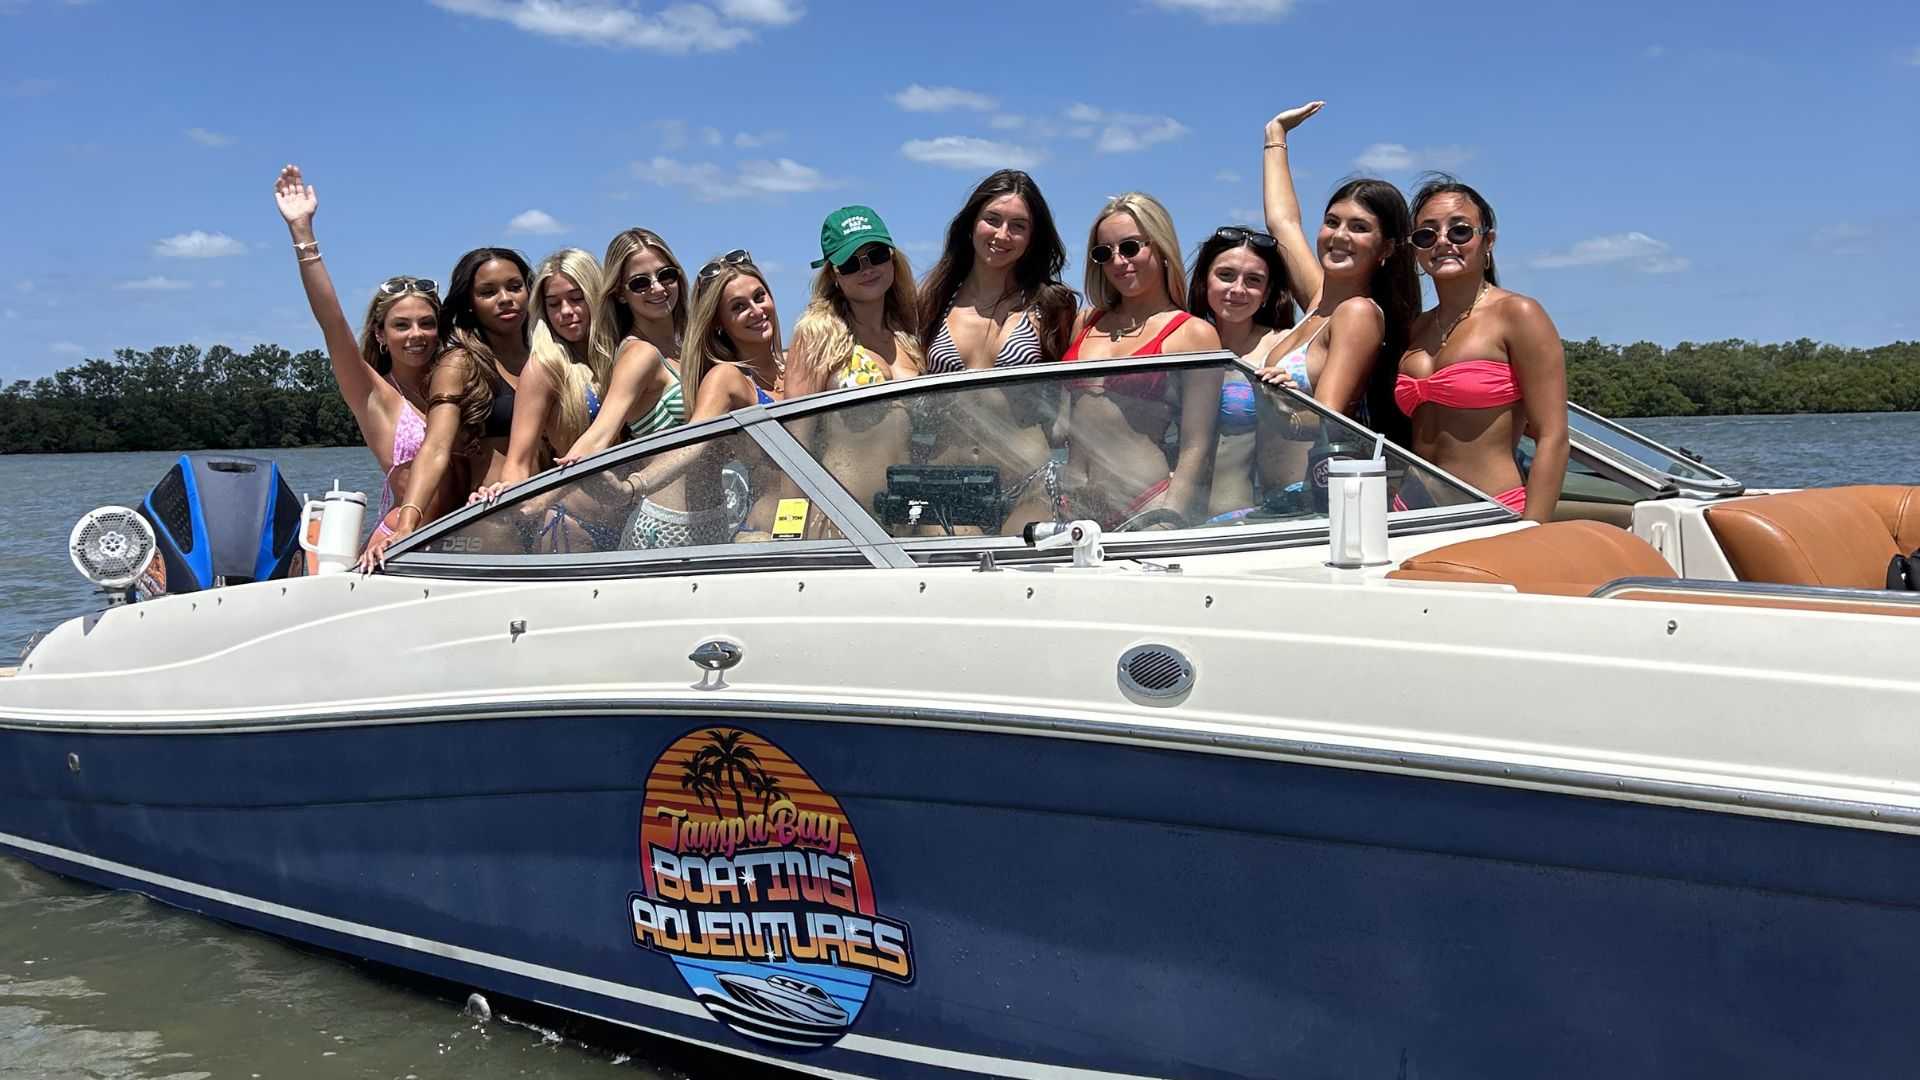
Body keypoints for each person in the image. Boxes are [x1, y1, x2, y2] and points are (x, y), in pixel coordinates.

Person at [270, 164, 485, 568]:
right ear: (381, 334)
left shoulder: (462, 383)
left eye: (426, 323)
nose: (416, 334)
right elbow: (331, 321)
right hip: (401, 543)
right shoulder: (372, 393)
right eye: (401, 325)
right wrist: (303, 234)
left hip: (465, 538)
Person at [915, 170, 1078, 531]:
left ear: (1033, 237)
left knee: (1025, 566)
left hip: (1028, 483)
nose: (1003, 235)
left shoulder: (1053, 306)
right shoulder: (931, 301)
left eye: (1018, 225)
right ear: (971, 223)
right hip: (948, 483)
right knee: (954, 566)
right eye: (993, 220)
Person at [1397, 176, 1567, 520]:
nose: (1442, 241)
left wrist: (1532, 531)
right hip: (1408, 513)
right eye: (1427, 235)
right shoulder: (1416, 328)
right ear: (1416, 250)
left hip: (1493, 511)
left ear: (1487, 241)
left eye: (1459, 231)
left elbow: (1553, 436)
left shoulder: (1518, 314)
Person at [1254, 102, 1419, 445]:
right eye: (1332, 222)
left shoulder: (1357, 313)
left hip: (1327, 488)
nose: (1340, 235)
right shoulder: (1320, 302)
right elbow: (1282, 222)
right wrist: (1275, 135)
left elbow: (1330, 418)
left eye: (1358, 227)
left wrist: (1277, 414)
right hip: (1287, 489)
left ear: (1386, 248)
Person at [1061, 192, 1224, 528]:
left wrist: (1169, 515)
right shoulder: (1085, 322)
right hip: (1073, 500)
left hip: (1146, 501)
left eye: (1131, 247)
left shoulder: (1193, 334)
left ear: (1161, 247)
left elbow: (1197, 443)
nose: (1119, 261)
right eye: (1105, 253)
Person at [784, 206, 924, 526]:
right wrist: (788, 530)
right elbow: (793, 441)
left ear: (892, 257)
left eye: (875, 254)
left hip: (912, 517)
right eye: (850, 262)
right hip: (839, 518)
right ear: (834, 274)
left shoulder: (910, 333)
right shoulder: (817, 333)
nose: (867, 269)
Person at [484, 248, 617, 493]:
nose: (565, 312)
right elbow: (518, 462)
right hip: (574, 519)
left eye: (577, 298)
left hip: (636, 505)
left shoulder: (624, 354)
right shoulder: (545, 368)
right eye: (554, 304)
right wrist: (503, 493)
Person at [1186, 225, 1296, 517]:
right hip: (1174, 518)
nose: (1237, 289)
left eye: (1253, 280)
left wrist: (1293, 400)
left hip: (1244, 520)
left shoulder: (1284, 347)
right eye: (1225, 275)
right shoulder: (1179, 344)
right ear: (1203, 279)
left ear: (1268, 290)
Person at [556, 228, 691, 466]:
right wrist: (543, 495)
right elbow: (599, 436)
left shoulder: (687, 347)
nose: (658, 288)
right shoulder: (640, 354)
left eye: (666, 275)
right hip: (664, 500)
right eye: (640, 283)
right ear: (619, 293)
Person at [440, 247, 533, 486]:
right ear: (469, 303)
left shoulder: (548, 356)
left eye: (514, 287)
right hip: (495, 512)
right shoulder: (461, 364)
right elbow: (435, 450)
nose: (505, 299)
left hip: (558, 508)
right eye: (488, 292)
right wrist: (411, 513)